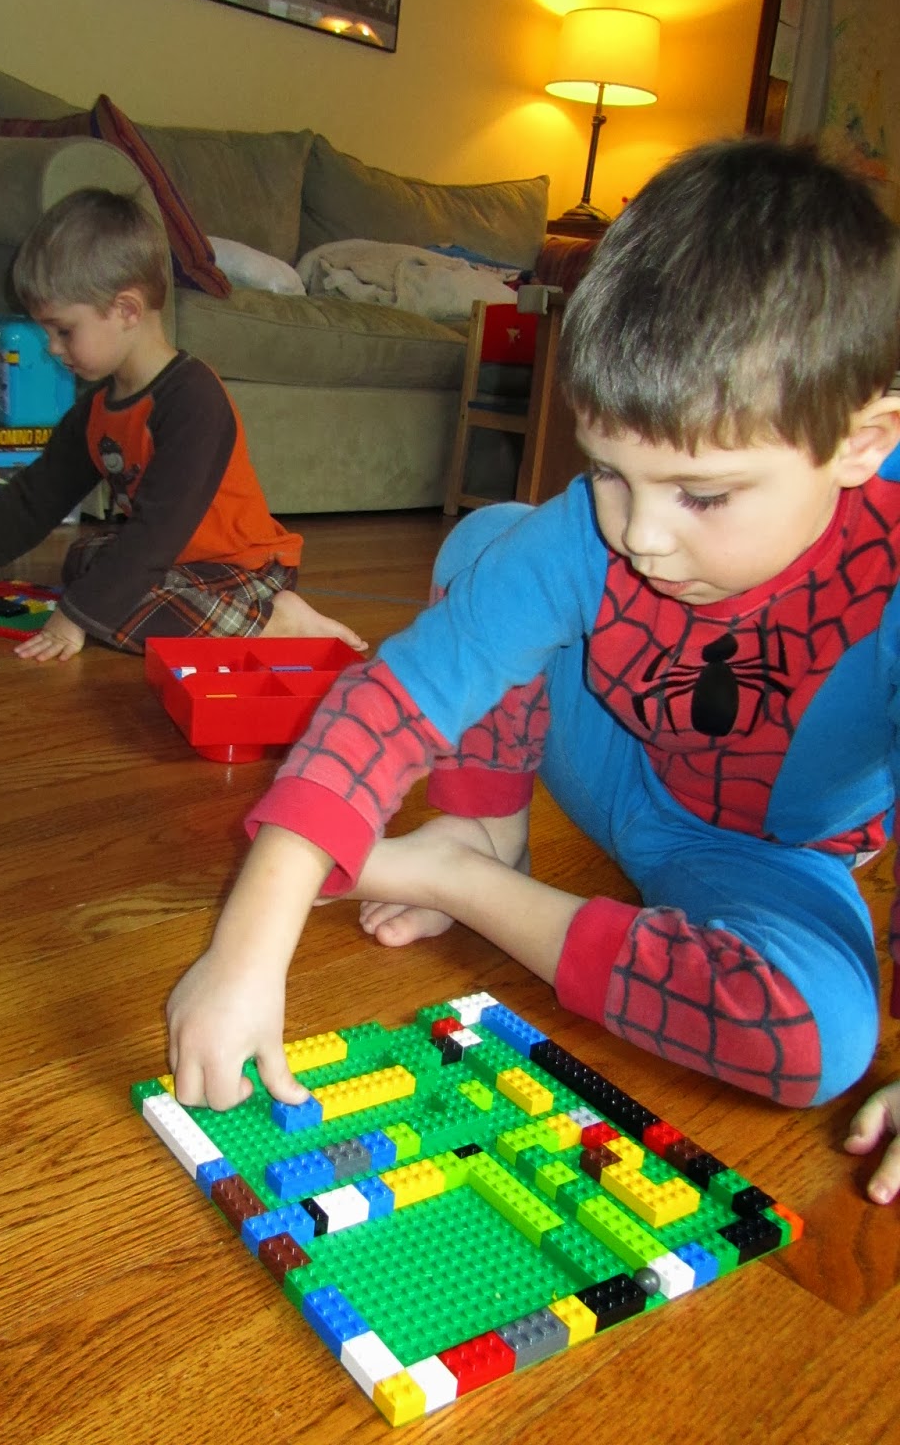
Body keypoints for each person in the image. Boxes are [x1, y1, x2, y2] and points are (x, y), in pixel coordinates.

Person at [166, 137, 900, 1205]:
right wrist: (248, 946)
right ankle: (480, 834)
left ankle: (461, 881)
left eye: (702, 495)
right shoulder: (603, 530)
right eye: (608, 471)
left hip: (773, 859)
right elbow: (398, 697)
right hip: (620, 769)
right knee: (492, 545)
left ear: (862, 443)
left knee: (818, 1037)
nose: (640, 535)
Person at [0, 188, 366, 662]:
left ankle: (278, 621)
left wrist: (75, 616)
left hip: (243, 570)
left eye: (63, 330)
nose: (53, 348)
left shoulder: (193, 399)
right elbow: (38, 495)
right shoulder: (99, 406)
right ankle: (213, 618)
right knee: (84, 560)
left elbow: (157, 531)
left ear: (127, 310)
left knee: (111, 603)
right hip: (179, 564)